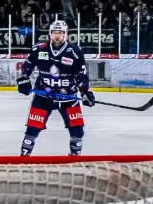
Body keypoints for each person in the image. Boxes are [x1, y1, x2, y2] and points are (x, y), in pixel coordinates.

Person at [16, 20, 95, 156]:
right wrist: (23, 80)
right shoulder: (38, 49)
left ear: (66, 34)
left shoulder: (75, 52)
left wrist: (85, 92)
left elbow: (81, 75)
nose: (57, 36)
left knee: (77, 130)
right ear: (50, 34)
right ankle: (24, 158)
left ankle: (74, 158)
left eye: (60, 33)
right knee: (32, 129)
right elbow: (26, 67)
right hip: (43, 95)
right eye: (54, 33)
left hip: (68, 97)